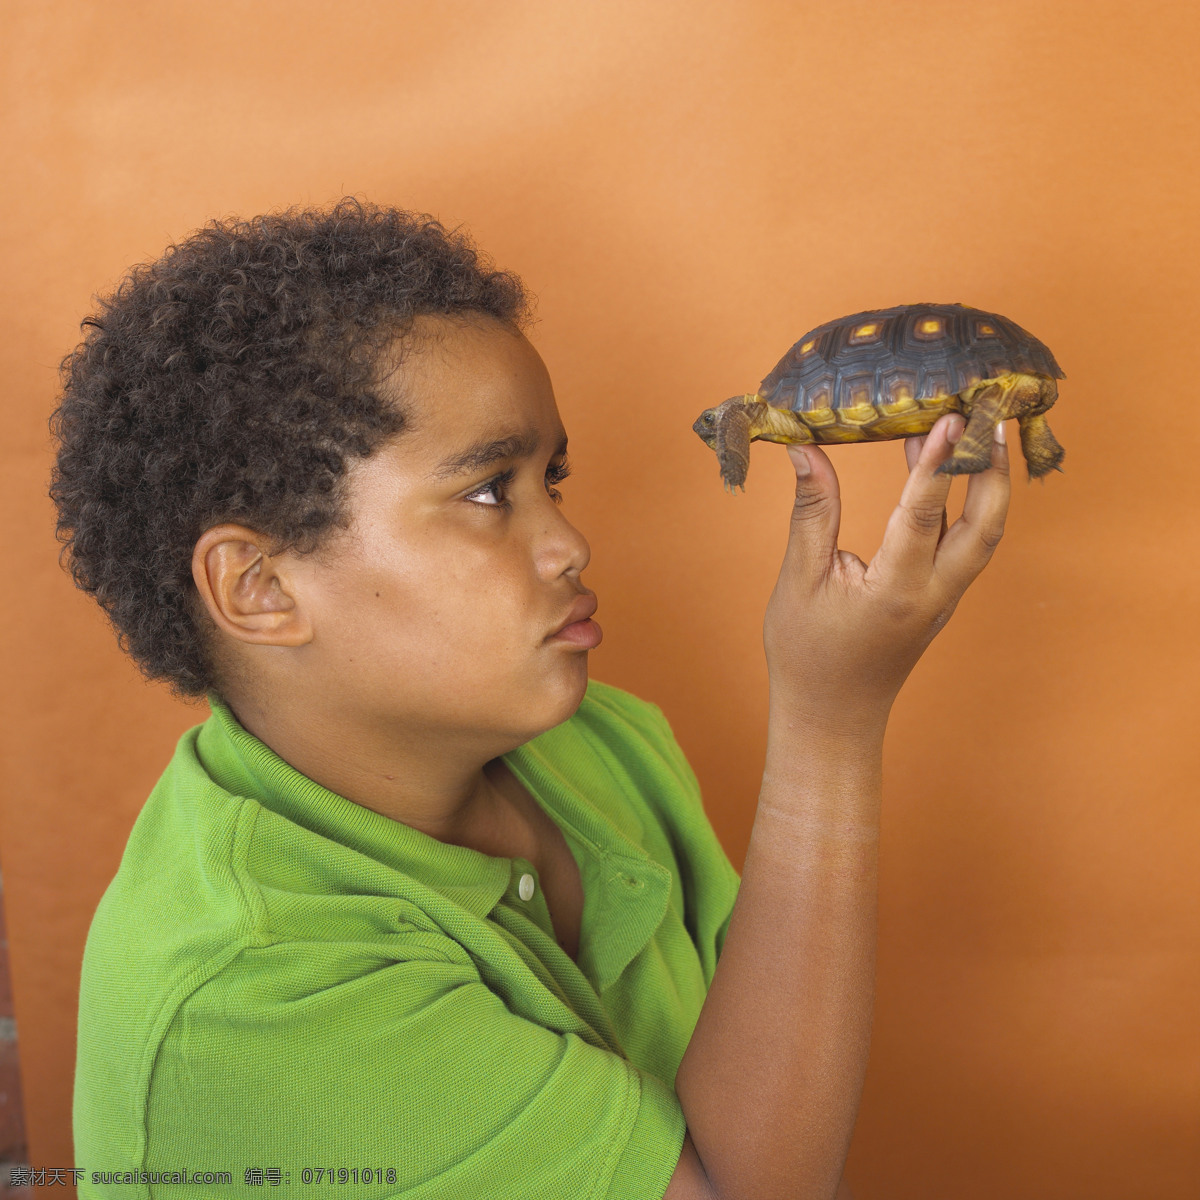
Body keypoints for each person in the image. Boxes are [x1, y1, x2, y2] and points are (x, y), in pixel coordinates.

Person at [50, 198, 1009, 1200]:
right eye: (486, 493)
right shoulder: (256, 986)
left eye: (552, 477)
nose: (569, 544)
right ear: (260, 588)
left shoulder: (598, 741)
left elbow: (751, 1086)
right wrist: (830, 723)